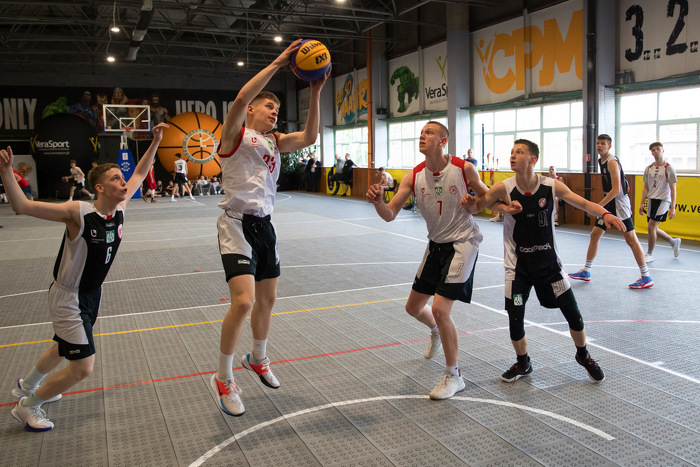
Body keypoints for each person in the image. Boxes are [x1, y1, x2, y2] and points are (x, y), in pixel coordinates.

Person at [2, 123, 169, 432]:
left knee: (63, 346)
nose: (124, 181)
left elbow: (141, 172)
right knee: (82, 367)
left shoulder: (119, 209)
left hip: (92, 293)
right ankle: (27, 406)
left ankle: (27, 385)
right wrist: (6, 173)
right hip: (69, 297)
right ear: (100, 188)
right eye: (116, 178)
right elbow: (21, 206)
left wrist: (156, 140)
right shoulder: (78, 213)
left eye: (122, 177)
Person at [211, 39, 329, 417]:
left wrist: (316, 92)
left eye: (277, 108)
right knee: (243, 302)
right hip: (236, 225)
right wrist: (279, 62)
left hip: (266, 226)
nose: (275, 111)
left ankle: (258, 358)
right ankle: (223, 378)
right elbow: (241, 96)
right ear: (251, 110)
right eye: (268, 106)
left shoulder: (275, 142)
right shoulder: (234, 134)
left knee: (268, 300)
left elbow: (310, 137)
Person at [460, 139, 621, 384]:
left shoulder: (550, 186)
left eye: (519, 152)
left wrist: (606, 213)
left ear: (532, 159)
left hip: (549, 266)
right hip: (517, 268)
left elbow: (583, 203)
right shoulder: (504, 187)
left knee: (574, 315)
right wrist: (479, 205)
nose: (513, 156)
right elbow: (478, 206)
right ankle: (523, 362)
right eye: (512, 152)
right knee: (515, 318)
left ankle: (583, 355)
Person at [366, 121, 506, 400]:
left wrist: (506, 209)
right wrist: (379, 202)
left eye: (429, 132)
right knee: (413, 307)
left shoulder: (463, 168)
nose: (422, 136)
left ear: (443, 141)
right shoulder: (414, 175)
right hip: (436, 245)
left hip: (463, 243)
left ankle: (454, 376)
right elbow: (390, 214)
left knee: (441, 310)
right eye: (421, 133)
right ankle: (436, 331)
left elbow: (486, 196)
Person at [568, 134, 653, 289]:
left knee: (631, 239)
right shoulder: (601, 161)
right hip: (609, 203)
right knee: (595, 235)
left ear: (609, 146)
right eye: (598, 143)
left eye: (603, 143)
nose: (599, 145)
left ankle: (646, 276)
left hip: (619, 203)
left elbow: (616, 189)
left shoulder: (612, 162)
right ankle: (586, 271)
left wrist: (597, 207)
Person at [639, 142, 681, 261]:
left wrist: (673, 207)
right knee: (653, 228)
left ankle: (649, 254)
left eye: (658, 149)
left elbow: (673, 189)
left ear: (662, 150)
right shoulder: (649, 169)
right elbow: (645, 187)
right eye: (653, 150)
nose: (656, 151)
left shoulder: (669, 168)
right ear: (651, 153)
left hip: (663, 200)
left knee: (651, 226)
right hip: (652, 200)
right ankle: (673, 242)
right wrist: (641, 203)